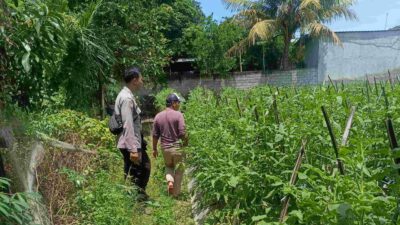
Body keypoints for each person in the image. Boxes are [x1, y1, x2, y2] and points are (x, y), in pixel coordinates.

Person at [115, 67, 150, 200]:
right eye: (141, 79)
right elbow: (128, 124)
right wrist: (133, 149)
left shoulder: (126, 95)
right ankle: (138, 200)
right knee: (142, 169)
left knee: (133, 171)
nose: (142, 81)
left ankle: (133, 198)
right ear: (135, 80)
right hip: (131, 142)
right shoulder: (127, 98)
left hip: (130, 141)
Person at [152, 93, 188, 197]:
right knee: (179, 169)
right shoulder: (179, 115)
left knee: (169, 166)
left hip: (165, 148)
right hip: (177, 148)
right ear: (173, 103)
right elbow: (182, 133)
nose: (179, 104)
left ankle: (170, 181)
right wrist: (186, 143)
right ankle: (176, 194)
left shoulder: (158, 116)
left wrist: (154, 149)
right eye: (178, 102)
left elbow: (155, 135)